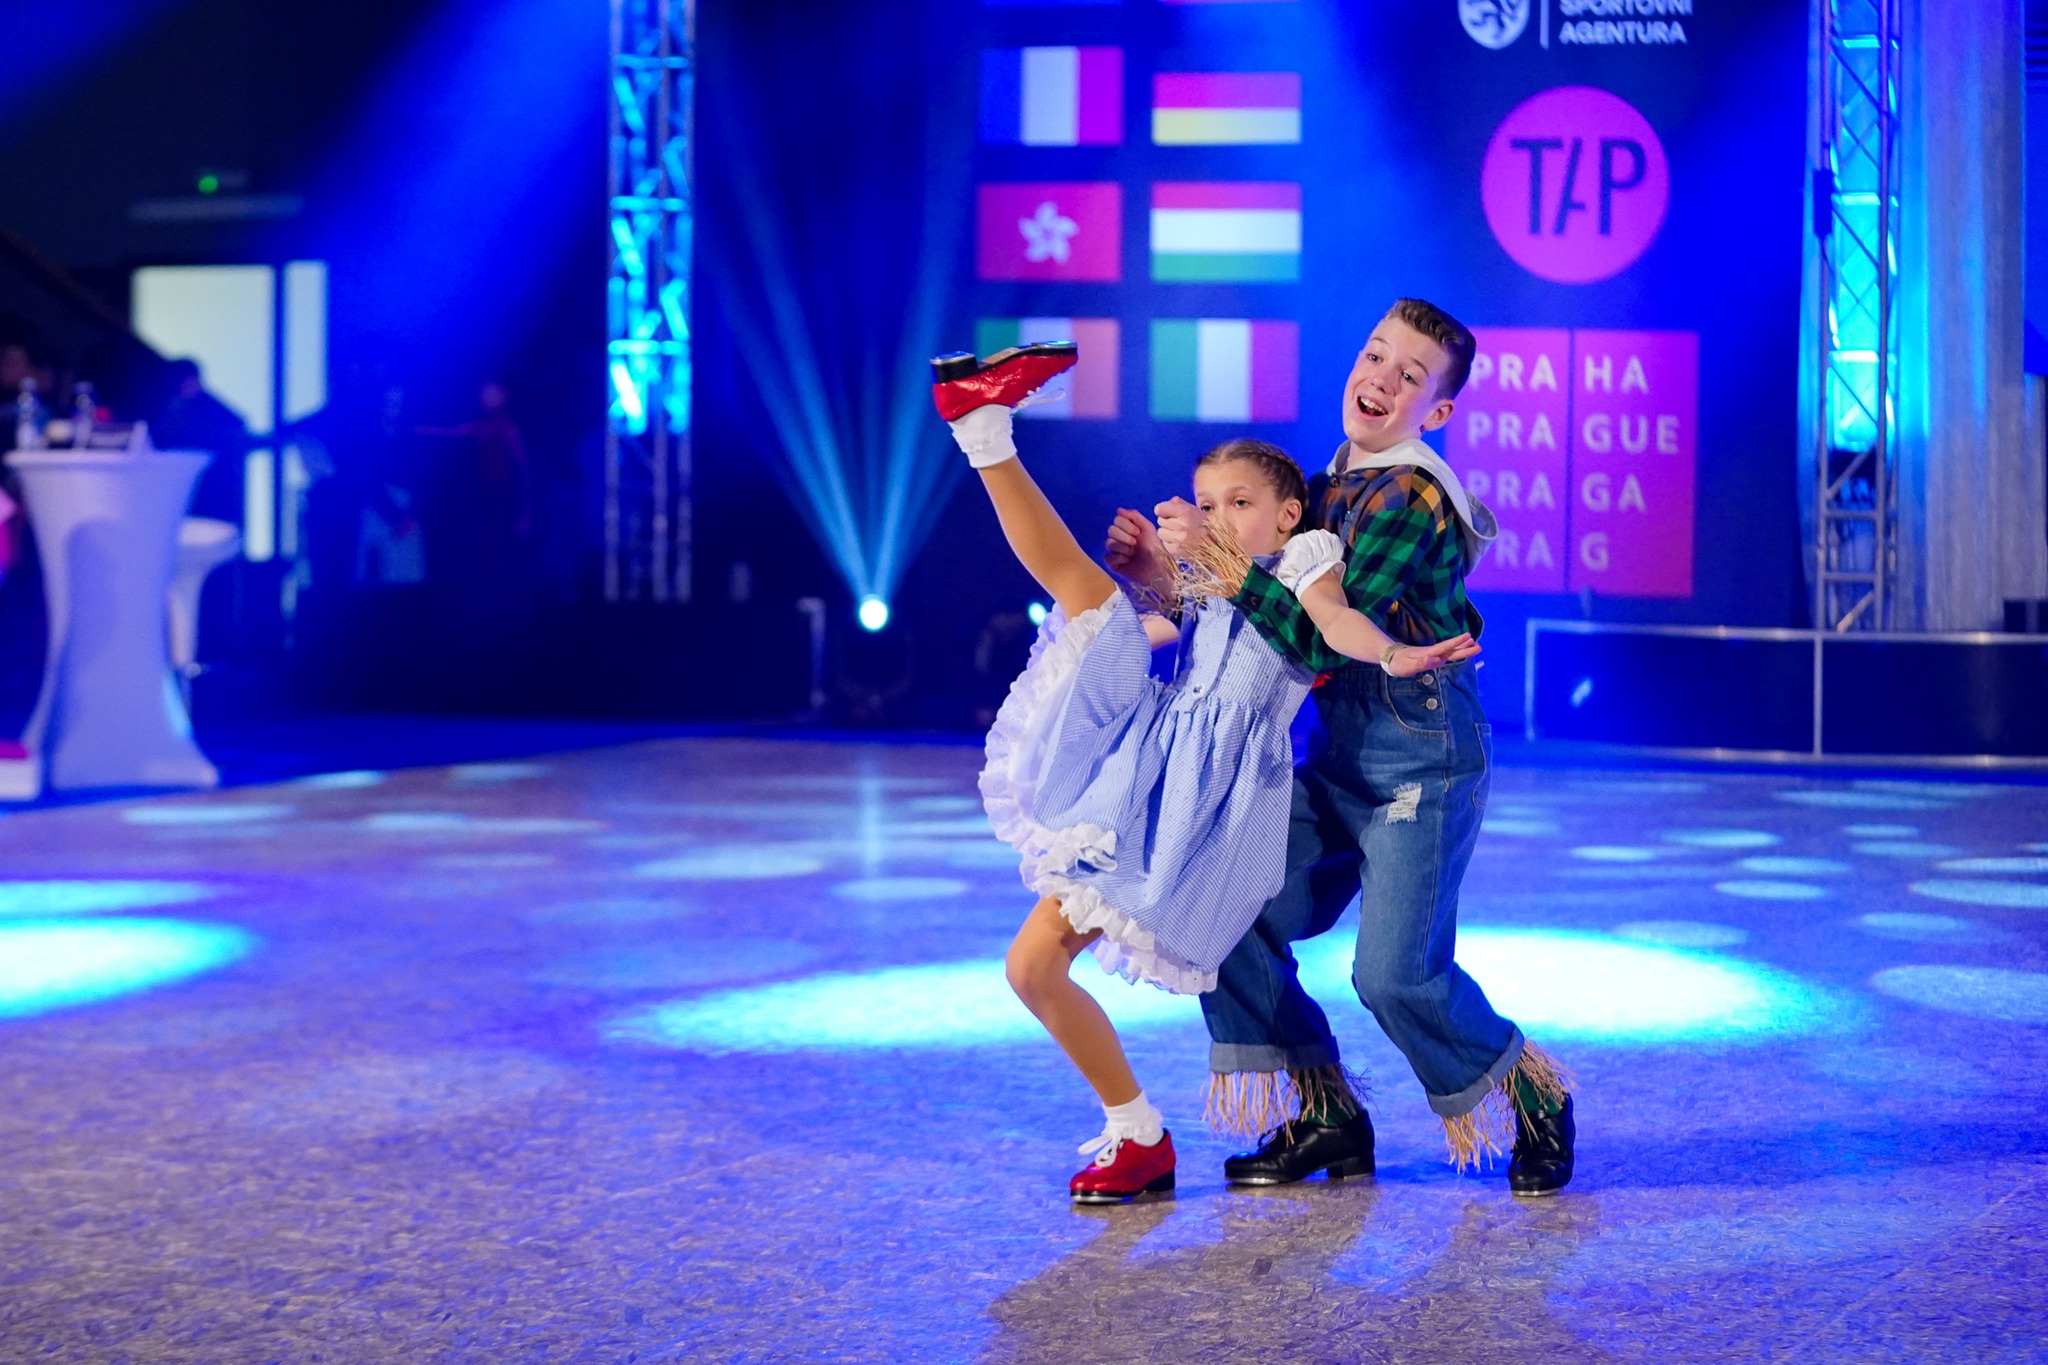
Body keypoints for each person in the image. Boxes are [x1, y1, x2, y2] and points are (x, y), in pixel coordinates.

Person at [936, 342, 1478, 1204]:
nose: (1220, 517)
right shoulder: (1217, 576)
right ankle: (1138, 1133)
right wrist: (1148, 580)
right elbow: (1170, 625)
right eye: (1209, 502)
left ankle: (982, 428)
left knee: (1033, 966)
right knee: (1033, 968)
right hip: (1159, 765)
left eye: (1241, 502)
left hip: (1208, 795)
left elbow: (1329, 632)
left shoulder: (1304, 564)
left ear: (1290, 513)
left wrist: (1392, 653)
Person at [1113, 298, 1578, 1197]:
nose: (1382, 379)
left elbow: (1320, 639)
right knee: (1223, 905)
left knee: (1394, 976)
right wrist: (1162, 572)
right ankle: (1325, 1111)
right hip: (1337, 757)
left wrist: (1226, 563)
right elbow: (1243, 599)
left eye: (1411, 376)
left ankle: (1534, 1099)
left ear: (1437, 410)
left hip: (1421, 759)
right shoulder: (1325, 484)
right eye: (1375, 356)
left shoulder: (1411, 494)